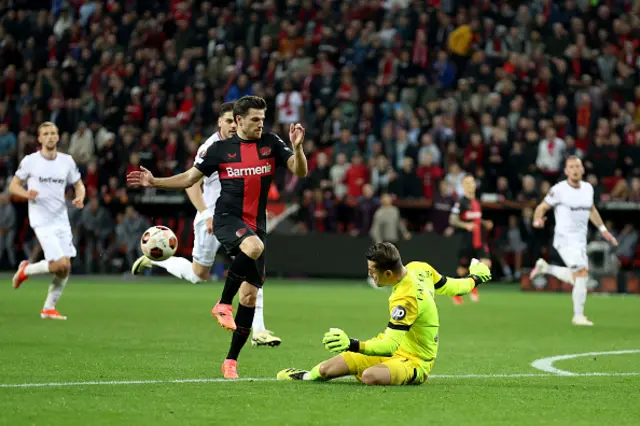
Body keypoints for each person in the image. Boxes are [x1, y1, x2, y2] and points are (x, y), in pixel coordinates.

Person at [126, 96, 308, 378]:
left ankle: (231, 361)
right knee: (253, 247)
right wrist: (155, 182)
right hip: (225, 218)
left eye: (262, 118)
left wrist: (297, 147)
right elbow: (189, 179)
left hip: (255, 223)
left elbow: (300, 170)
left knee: (249, 296)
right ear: (239, 121)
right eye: (254, 119)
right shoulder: (220, 149)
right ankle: (222, 303)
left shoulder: (271, 143)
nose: (261, 124)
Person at [276, 242, 492, 386]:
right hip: (393, 350)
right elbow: (452, 286)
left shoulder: (406, 300)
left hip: (415, 360)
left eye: (372, 272)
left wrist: (351, 344)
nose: (370, 275)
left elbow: (389, 346)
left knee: (371, 376)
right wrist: (476, 278)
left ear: (388, 273)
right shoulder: (419, 267)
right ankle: (304, 376)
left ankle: (410, 373)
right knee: (324, 370)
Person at [9, 122, 86, 320]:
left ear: (58, 137)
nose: (50, 136)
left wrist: (80, 197)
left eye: (53, 133)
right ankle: (26, 270)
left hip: (61, 218)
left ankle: (48, 308)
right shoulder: (30, 161)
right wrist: (27, 194)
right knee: (58, 264)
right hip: (41, 220)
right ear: (40, 138)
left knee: (65, 267)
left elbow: (79, 184)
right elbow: (13, 186)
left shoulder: (66, 161)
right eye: (46, 134)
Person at [529, 156, 618, 326]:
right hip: (564, 239)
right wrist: (537, 220)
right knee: (582, 274)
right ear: (566, 171)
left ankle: (546, 268)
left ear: (583, 169)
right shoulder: (559, 190)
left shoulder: (588, 189)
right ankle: (578, 316)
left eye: (578, 166)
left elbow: (591, 209)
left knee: (579, 278)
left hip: (580, 240)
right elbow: (541, 207)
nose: (575, 169)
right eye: (571, 167)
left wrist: (604, 230)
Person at [448, 174, 493, 304]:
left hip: (480, 241)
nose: (470, 185)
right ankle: (455, 293)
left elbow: (476, 218)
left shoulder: (477, 202)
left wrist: (484, 223)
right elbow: (452, 219)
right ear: (463, 186)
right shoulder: (461, 202)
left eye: (472, 183)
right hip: (466, 241)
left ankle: (472, 288)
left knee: (486, 264)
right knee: (462, 270)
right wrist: (465, 225)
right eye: (467, 183)